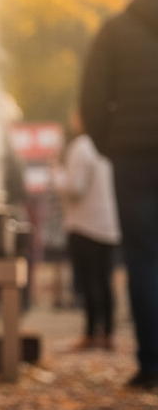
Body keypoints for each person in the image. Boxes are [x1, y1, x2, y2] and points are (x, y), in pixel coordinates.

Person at [80, 0, 158, 389]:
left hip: (134, 158)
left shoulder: (115, 30)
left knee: (143, 258)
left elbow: (91, 101)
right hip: (131, 152)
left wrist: (113, 144)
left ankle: (151, 364)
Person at [54, 111, 120, 350]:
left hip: (84, 224)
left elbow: (75, 188)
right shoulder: (111, 144)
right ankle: (109, 333)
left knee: (89, 281)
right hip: (110, 223)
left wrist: (57, 174)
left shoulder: (81, 147)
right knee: (105, 281)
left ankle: (91, 333)